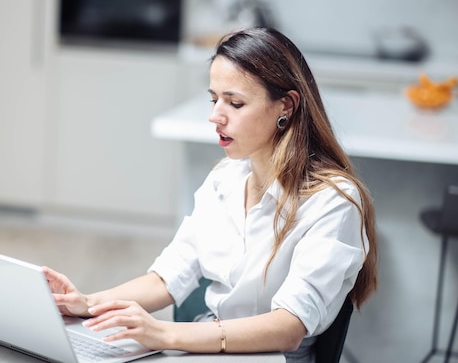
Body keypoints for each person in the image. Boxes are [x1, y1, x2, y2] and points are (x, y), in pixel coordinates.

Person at [42, 27, 378, 363]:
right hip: (207, 350)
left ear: (286, 106)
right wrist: (88, 304)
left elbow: (288, 327)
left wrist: (163, 334)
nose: (215, 116)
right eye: (214, 99)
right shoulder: (224, 181)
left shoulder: (333, 202)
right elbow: (169, 278)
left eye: (235, 102)